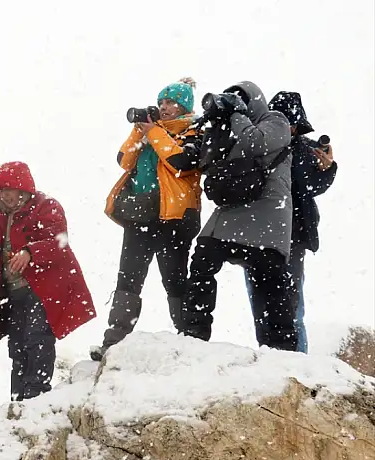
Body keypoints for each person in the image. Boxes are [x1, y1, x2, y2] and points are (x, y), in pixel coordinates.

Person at [177, 81, 297, 351]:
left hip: (267, 215)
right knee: (202, 260)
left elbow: (256, 142)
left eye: (241, 98)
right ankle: (193, 333)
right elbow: (208, 163)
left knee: (272, 284)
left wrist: (237, 115)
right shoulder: (232, 127)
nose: (235, 102)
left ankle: (282, 348)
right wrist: (218, 125)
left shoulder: (275, 120)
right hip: (230, 213)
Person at [93, 78, 203, 361]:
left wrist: (154, 132)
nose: (164, 107)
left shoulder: (193, 130)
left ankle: (189, 339)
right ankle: (114, 342)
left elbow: (182, 163)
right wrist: (138, 131)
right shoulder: (151, 133)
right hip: (139, 215)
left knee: (175, 280)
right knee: (128, 280)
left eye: (170, 102)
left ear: (184, 106)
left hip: (174, 219)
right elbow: (123, 160)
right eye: (162, 102)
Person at [0, 161, 96, 401]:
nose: (5, 194)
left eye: (10, 188)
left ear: (23, 189)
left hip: (43, 287)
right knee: (17, 344)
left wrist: (30, 251)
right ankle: (19, 397)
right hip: (13, 289)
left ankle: (36, 393)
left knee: (37, 338)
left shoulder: (46, 207)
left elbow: (59, 242)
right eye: (1, 189)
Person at [243, 91, 338, 353]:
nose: (289, 128)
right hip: (258, 235)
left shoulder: (304, 149)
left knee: (292, 306)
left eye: (292, 124)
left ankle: (298, 362)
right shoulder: (259, 145)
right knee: (261, 306)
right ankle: (270, 358)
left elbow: (308, 186)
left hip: (291, 236)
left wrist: (327, 168)